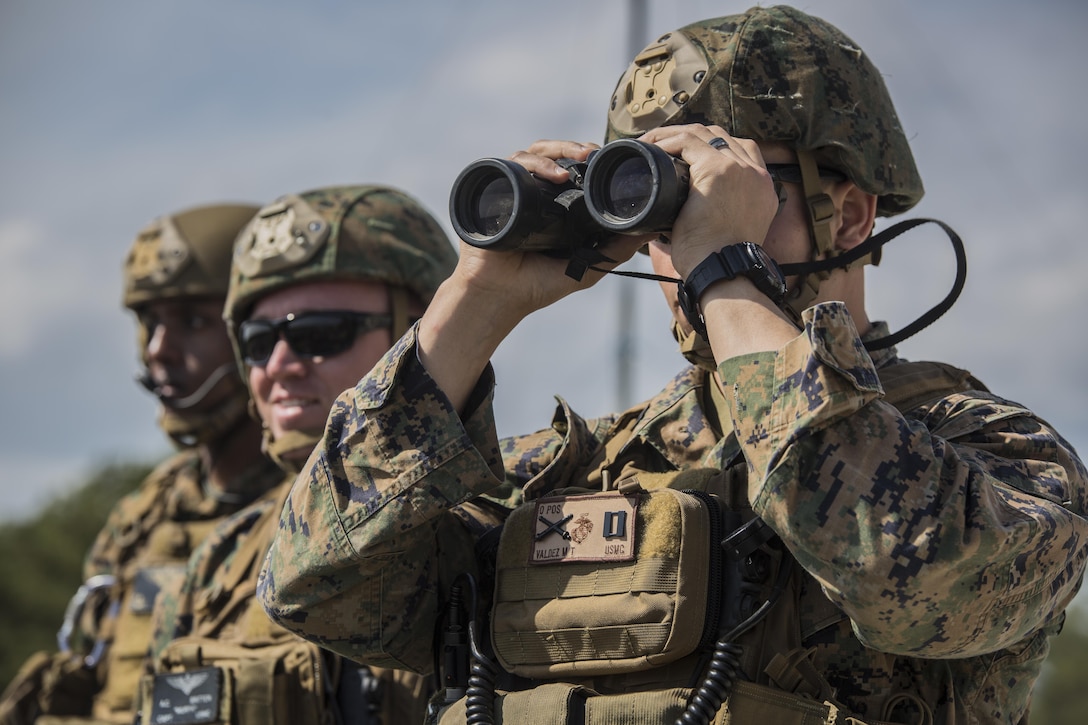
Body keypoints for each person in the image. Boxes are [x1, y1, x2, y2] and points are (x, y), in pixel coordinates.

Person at [257, 6, 1088, 725]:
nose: (677, 238)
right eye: (658, 201)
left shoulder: (998, 455)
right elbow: (317, 587)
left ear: (853, 215)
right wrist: (478, 298)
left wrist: (727, 267)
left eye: (730, 186)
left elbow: (912, 570)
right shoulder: (565, 476)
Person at [136, 185, 497, 725]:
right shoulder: (218, 565)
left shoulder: (500, 524)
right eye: (258, 342)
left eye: (320, 334)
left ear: (417, 331)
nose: (279, 364)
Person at [0, 204, 282, 725]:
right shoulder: (145, 515)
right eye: (150, 323)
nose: (159, 350)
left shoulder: (322, 507)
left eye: (194, 321)